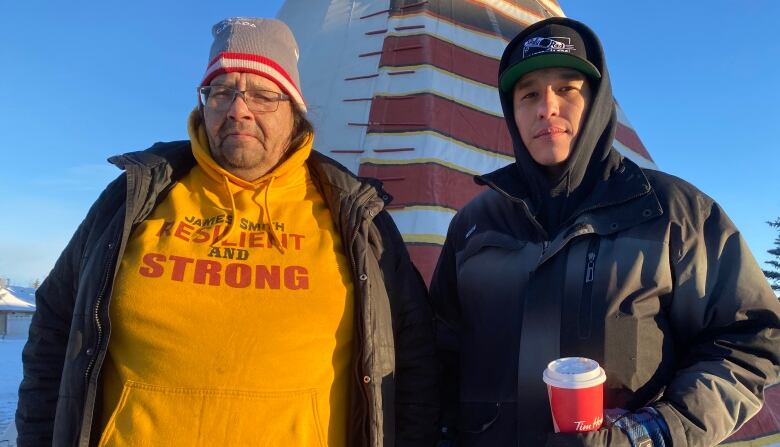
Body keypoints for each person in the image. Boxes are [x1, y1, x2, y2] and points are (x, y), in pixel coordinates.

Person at [16, 17, 438, 447]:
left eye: (262, 94)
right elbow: (54, 328)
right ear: (203, 104)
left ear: (294, 108)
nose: (239, 108)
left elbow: (413, 358)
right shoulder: (133, 198)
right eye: (222, 91)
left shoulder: (356, 215)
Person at [430, 16, 780, 446]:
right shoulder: (474, 225)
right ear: (512, 111)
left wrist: (648, 434)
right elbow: (437, 354)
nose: (547, 107)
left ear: (597, 100)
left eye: (566, 89)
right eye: (529, 94)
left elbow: (749, 341)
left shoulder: (675, 213)